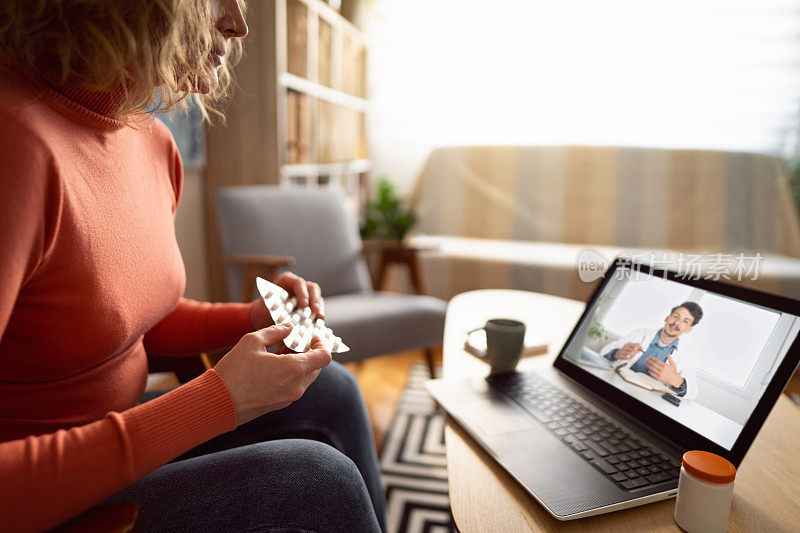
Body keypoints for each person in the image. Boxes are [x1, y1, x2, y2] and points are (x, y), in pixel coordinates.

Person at [0, 1, 384, 531]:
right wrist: (215, 401)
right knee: (318, 480)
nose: (238, 22)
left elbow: (135, 319)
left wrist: (251, 319)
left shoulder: (152, 143)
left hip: (121, 434)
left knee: (334, 390)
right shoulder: (14, 145)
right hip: (51, 498)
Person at [600, 302, 703, 400]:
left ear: (689, 329)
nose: (676, 323)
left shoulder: (688, 353)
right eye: (676, 316)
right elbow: (604, 351)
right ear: (667, 317)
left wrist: (677, 381)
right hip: (617, 388)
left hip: (649, 402)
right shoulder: (640, 333)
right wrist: (616, 354)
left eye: (685, 321)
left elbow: (693, 393)